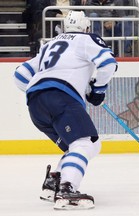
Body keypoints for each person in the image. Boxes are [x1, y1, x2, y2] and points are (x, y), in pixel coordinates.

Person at [13, 10, 117, 210]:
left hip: (35, 103)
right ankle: (67, 190)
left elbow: (20, 75)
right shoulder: (87, 39)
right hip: (61, 98)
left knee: (79, 145)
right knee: (86, 144)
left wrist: (44, 89)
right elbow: (108, 63)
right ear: (86, 28)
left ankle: (54, 181)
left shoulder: (48, 44)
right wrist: (98, 90)